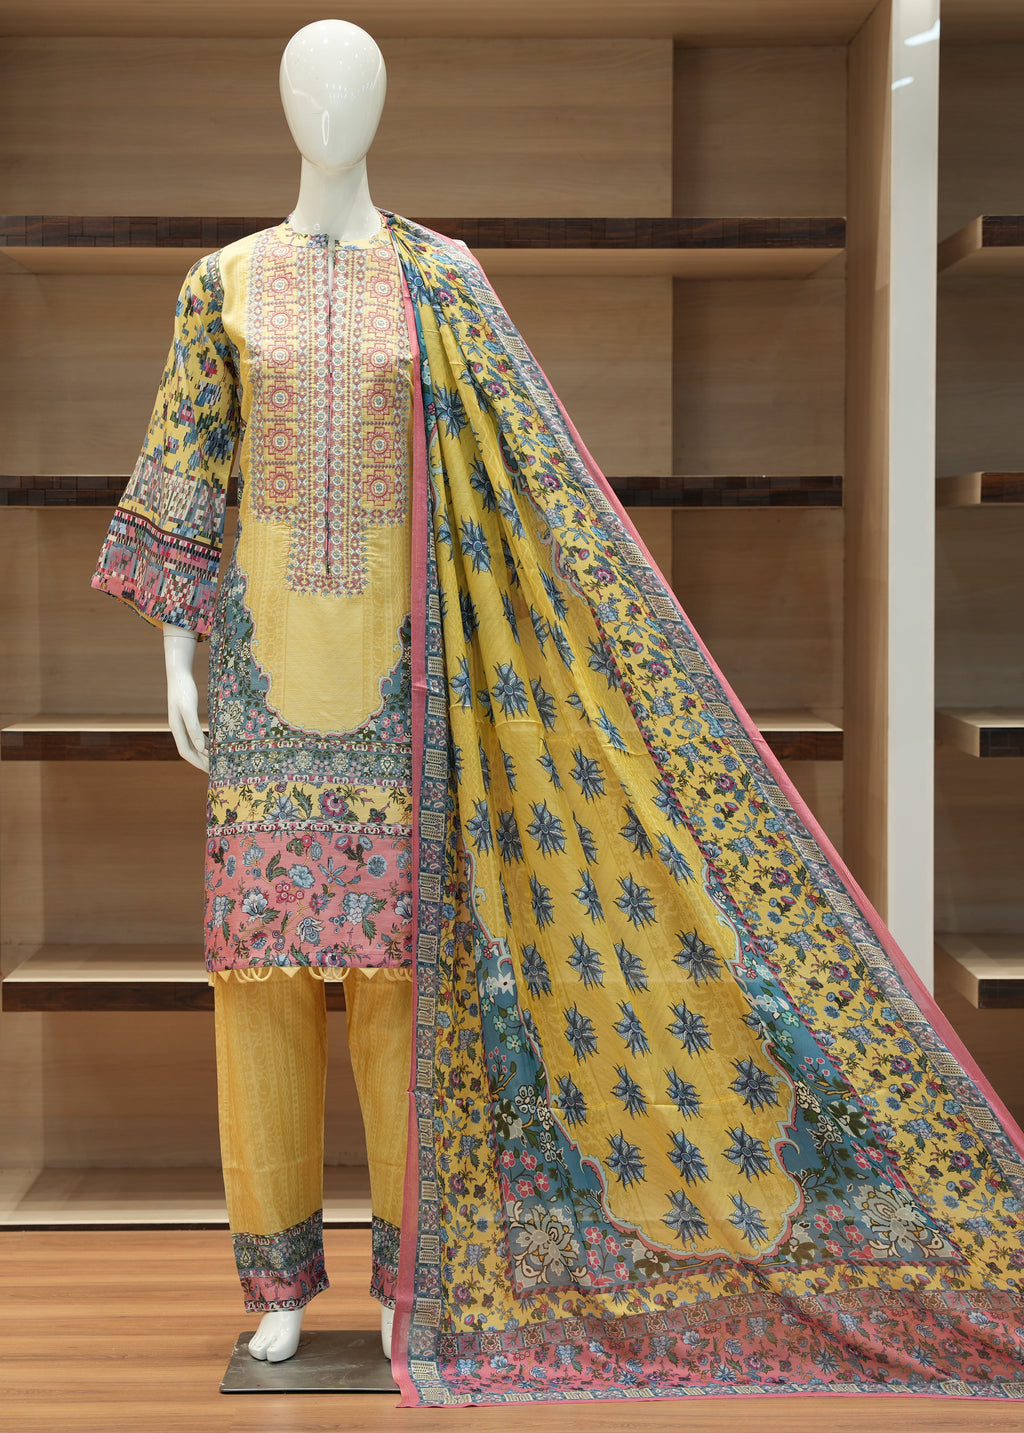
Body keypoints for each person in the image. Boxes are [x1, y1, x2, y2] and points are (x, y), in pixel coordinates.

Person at [93, 18, 1024, 1406]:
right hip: (260, 696)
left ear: (382, 103)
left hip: (415, 698)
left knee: (408, 998)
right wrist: (173, 661)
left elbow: (530, 492)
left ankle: (419, 1285)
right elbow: (187, 476)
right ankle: (275, 1285)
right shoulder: (220, 285)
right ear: (284, 105)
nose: (332, 107)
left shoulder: (446, 283)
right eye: (310, 84)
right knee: (260, 990)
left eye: (354, 84)